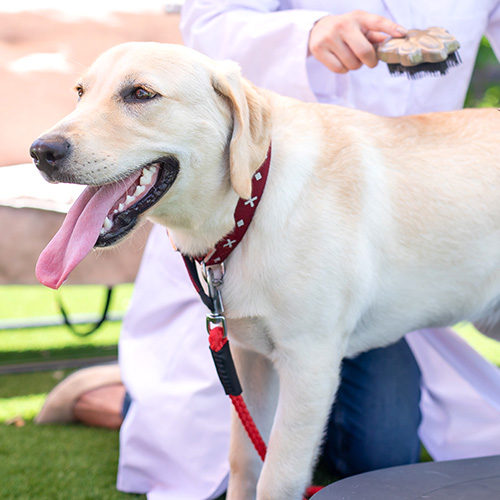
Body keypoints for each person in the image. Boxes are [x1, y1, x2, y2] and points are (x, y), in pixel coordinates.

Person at [114, 2, 500, 499]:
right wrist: (310, 31)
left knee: (378, 452)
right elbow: (208, 27)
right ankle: (114, 397)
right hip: (260, 182)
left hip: (428, 200)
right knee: (189, 424)